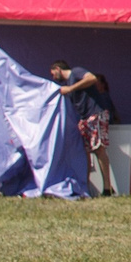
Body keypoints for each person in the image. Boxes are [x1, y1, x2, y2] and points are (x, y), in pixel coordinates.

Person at [50, 60, 116, 195]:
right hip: (84, 119)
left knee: (99, 149)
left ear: (58, 68)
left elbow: (92, 78)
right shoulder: (68, 84)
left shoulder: (76, 72)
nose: (53, 77)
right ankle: (85, 187)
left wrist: (71, 88)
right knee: (84, 153)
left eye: (53, 73)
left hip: (95, 113)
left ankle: (107, 188)